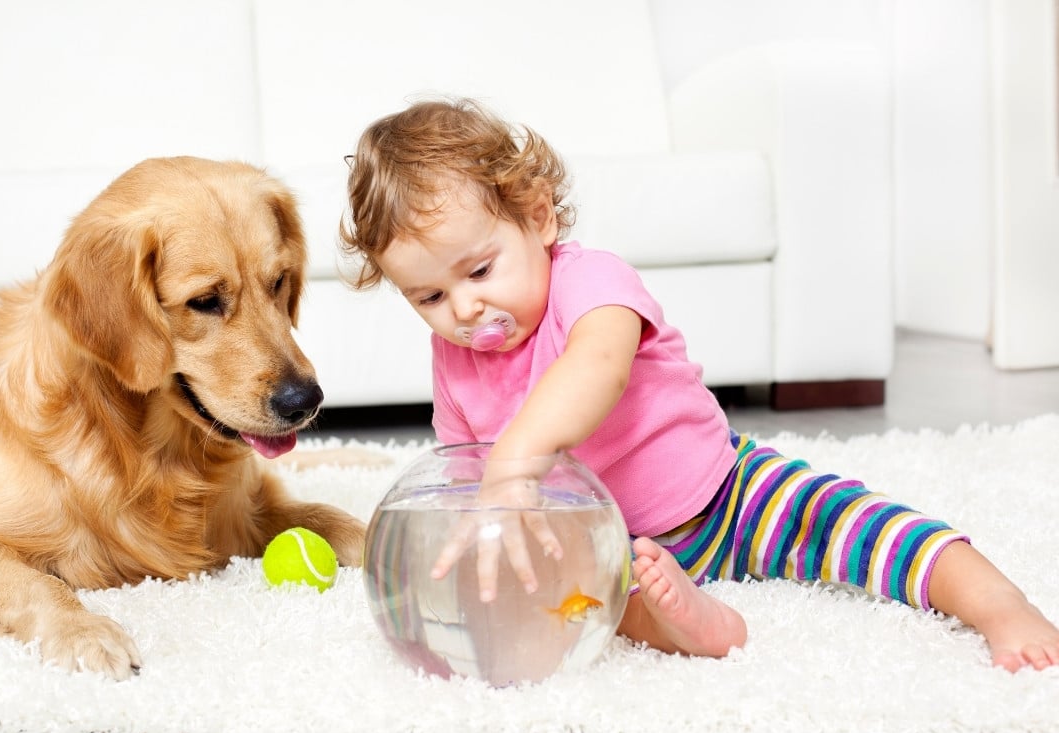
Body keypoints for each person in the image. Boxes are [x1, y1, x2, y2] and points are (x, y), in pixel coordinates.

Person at [339, 97, 1059, 672]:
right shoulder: (454, 356)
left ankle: (997, 601)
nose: (463, 311)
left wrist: (516, 459)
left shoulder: (592, 282)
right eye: (428, 298)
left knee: (859, 526)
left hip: (729, 491)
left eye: (478, 271)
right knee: (578, 606)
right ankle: (700, 628)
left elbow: (596, 369)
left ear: (537, 216)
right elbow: (463, 465)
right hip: (610, 541)